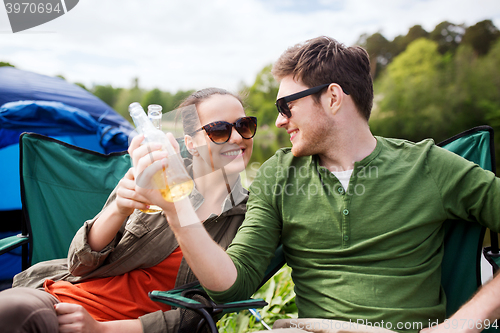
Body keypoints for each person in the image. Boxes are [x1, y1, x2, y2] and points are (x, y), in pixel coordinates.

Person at [134, 36, 500, 333]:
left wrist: (461, 325)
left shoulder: (429, 166)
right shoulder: (279, 174)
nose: (278, 122)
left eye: (286, 107)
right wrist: (175, 206)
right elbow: (230, 284)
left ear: (334, 98)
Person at [0, 87, 256, 333]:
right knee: (12, 310)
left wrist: (101, 329)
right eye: (219, 130)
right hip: (61, 300)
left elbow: (205, 311)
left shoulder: (251, 218)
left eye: (244, 126)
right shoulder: (155, 177)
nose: (237, 137)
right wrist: (119, 208)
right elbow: (78, 265)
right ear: (190, 143)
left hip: (113, 326)